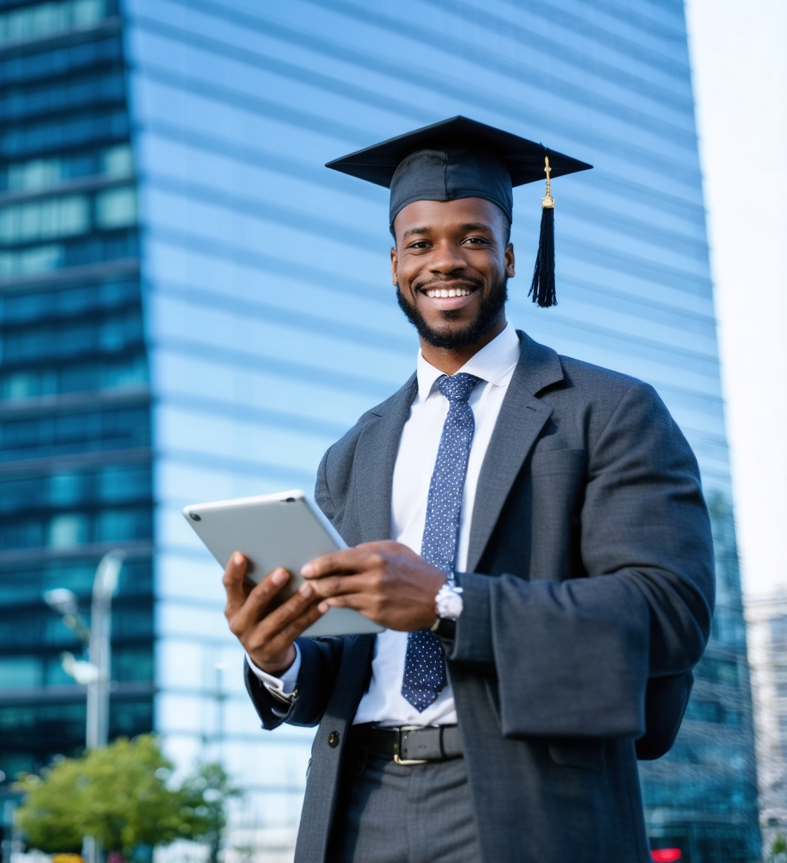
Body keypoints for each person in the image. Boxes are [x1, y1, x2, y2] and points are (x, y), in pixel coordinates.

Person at [221, 116, 715, 863]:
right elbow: (343, 663)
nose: (444, 261)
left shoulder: (608, 412)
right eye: (420, 243)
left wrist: (451, 601)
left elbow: (669, 613)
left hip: (528, 801)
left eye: (473, 238)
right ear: (393, 264)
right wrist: (277, 658)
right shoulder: (353, 452)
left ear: (512, 256)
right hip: (358, 805)